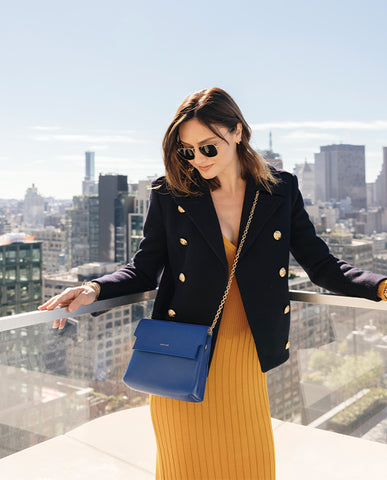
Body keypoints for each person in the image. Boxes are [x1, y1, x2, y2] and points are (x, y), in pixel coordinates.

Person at [39, 87, 387, 480]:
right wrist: (94, 289)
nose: (197, 159)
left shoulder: (279, 189)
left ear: (237, 132)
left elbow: (322, 265)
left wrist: (381, 286)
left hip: (247, 353)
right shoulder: (170, 193)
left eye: (208, 147)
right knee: (186, 467)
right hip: (186, 357)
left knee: (250, 465)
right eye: (186, 151)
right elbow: (143, 267)